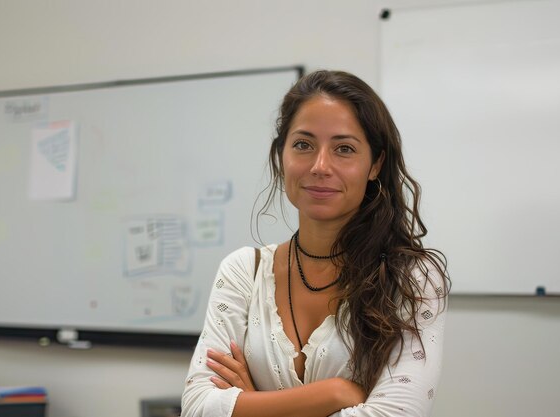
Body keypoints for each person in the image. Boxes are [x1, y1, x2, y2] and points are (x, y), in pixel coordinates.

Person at [181, 70, 449, 417]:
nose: (321, 166)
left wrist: (250, 405)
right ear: (282, 155)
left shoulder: (411, 278)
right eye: (303, 145)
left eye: (344, 149)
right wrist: (336, 393)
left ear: (375, 164)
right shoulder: (244, 272)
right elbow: (197, 407)